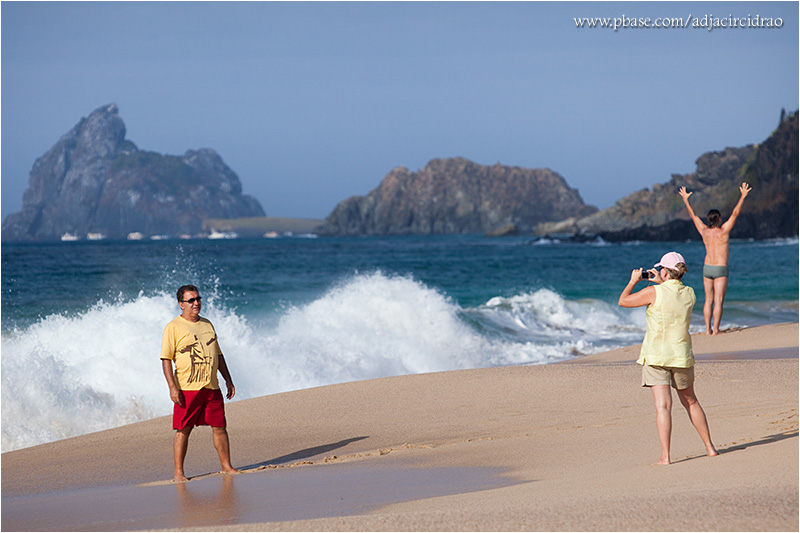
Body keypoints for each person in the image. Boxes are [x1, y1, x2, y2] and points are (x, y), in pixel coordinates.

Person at [618, 251, 718, 465]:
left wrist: (634, 281)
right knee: (691, 401)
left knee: (663, 406)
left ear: (664, 270)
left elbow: (623, 301)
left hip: (656, 356)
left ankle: (665, 457)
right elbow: (672, 296)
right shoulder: (690, 293)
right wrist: (660, 282)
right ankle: (710, 448)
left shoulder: (655, 292)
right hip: (681, 355)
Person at [161, 285, 238, 482]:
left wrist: (227, 379)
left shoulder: (207, 324)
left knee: (220, 426)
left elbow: (218, 354)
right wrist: (172, 387)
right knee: (183, 429)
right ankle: (179, 473)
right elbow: (166, 359)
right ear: (181, 304)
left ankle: (226, 466)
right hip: (187, 388)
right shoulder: (173, 327)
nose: (196, 303)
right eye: (191, 300)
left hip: (211, 386)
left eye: (198, 299)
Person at [679, 182, 752, 335]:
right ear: (718, 219)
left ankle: (707, 330)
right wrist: (743, 196)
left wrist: (686, 200)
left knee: (708, 300)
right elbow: (735, 213)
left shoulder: (704, 231)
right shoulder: (723, 231)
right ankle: (716, 330)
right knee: (718, 300)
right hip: (720, 268)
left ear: (708, 220)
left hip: (707, 267)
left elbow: (692, 215)